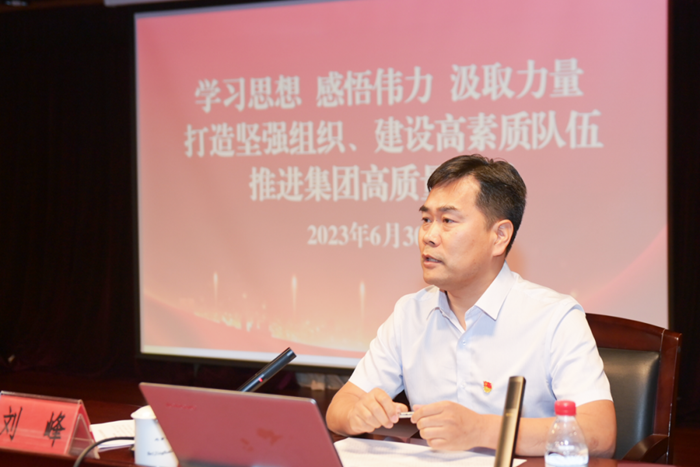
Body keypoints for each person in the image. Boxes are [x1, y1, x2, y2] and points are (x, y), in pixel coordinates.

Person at [326, 154, 616, 457]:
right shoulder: (409, 313)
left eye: (448, 221)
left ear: (499, 236)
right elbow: (340, 408)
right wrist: (358, 414)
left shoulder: (554, 317)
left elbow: (600, 433)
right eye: (426, 220)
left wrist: (481, 429)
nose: (429, 236)